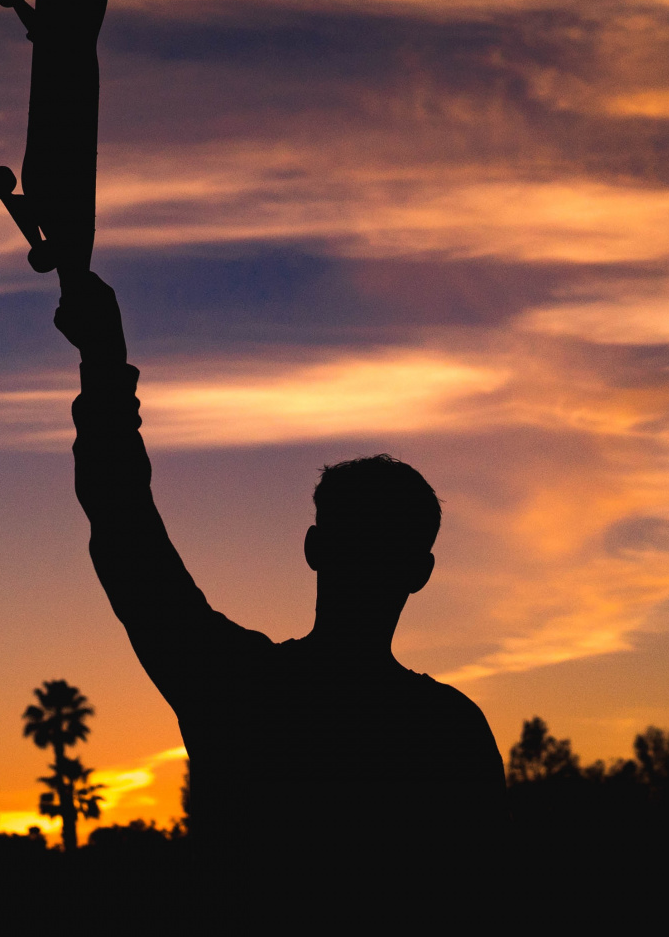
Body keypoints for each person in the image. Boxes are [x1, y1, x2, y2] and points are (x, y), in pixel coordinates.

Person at [54, 269, 506, 903]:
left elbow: (124, 529)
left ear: (314, 548)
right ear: (421, 574)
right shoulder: (451, 730)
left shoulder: (238, 688)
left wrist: (104, 362)